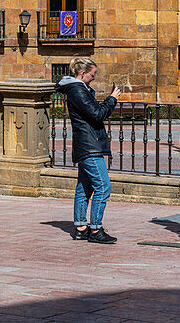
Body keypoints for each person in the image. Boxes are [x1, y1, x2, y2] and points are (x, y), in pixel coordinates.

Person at [56, 57, 121, 244]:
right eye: (92, 75)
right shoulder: (77, 90)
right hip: (89, 146)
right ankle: (95, 229)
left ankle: (80, 227)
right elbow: (97, 114)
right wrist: (112, 99)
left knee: (84, 187)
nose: (93, 78)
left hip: (86, 144)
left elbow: (91, 111)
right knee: (103, 186)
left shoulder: (78, 89)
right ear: (82, 73)